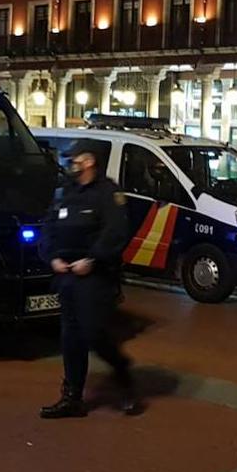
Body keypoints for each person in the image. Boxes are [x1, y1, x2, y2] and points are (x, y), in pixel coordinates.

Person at [39, 139, 137, 418]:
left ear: (90, 160)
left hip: (96, 276)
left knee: (94, 332)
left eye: (76, 158)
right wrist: (51, 256)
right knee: (70, 338)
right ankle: (72, 397)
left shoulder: (108, 193)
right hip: (67, 276)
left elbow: (116, 232)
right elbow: (48, 227)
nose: (72, 163)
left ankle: (121, 371)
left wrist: (93, 259)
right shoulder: (65, 192)